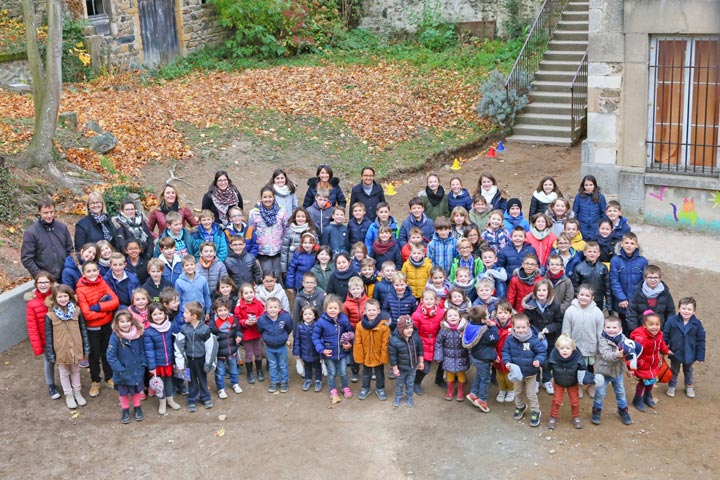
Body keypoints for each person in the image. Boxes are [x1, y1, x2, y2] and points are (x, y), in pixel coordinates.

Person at [75, 261, 119, 398]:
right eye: (88, 271)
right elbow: (87, 314)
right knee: (94, 355)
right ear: (83, 273)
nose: (92, 273)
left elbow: (115, 301)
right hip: (92, 328)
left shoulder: (103, 283)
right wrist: (106, 312)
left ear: (98, 271)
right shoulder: (80, 289)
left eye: (94, 270)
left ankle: (109, 377)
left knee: (107, 351)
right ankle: (95, 380)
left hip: (106, 325)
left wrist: (99, 307)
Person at [44, 284, 89, 409]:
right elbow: (48, 336)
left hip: (75, 347)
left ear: (70, 297)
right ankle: (69, 394)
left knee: (75, 370)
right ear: (54, 298)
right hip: (61, 349)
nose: (63, 299)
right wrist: (51, 353)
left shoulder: (77, 311)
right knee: (64, 373)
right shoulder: (50, 316)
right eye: (60, 297)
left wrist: (85, 347)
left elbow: (83, 330)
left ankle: (77, 392)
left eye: (65, 296)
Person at [502, 314, 547, 427]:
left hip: (531, 373)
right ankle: (520, 406)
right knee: (517, 392)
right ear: (513, 327)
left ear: (528, 326)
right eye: (518, 327)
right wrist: (506, 361)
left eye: (523, 327)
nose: (521, 330)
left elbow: (541, 352)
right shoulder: (510, 339)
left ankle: (535, 411)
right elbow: (505, 352)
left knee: (531, 393)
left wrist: (538, 360)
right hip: (517, 373)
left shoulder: (533, 340)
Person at [562, 284, 604, 399]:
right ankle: (579, 386)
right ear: (577, 295)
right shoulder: (570, 311)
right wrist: (566, 346)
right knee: (577, 368)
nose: (584, 297)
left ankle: (591, 385)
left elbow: (600, 333)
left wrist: (601, 348)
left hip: (591, 348)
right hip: (575, 348)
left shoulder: (597, 313)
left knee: (590, 368)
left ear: (592, 298)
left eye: (587, 295)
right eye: (581, 295)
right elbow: (566, 330)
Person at [522, 279, 563, 394]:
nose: (541, 292)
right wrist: (533, 331)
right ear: (535, 292)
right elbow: (526, 322)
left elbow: (559, 322)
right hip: (534, 337)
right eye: (539, 290)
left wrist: (549, 328)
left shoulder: (555, 306)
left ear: (549, 292)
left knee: (548, 359)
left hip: (550, 338)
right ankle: (535, 380)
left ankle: (546, 380)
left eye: (544, 290)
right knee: (534, 358)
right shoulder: (530, 306)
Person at [592, 316, 633, 425]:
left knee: (620, 392)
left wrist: (629, 368)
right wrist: (616, 354)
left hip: (617, 372)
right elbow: (605, 355)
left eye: (614, 327)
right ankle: (596, 410)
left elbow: (628, 355)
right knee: (600, 393)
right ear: (604, 328)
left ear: (620, 329)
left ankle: (623, 410)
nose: (611, 330)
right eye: (608, 327)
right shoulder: (602, 339)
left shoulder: (624, 339)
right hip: (603, 372)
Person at [106, 310, 146, 423]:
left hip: (136, 370)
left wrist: (142, 365)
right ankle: (125, 410)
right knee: (123, 392)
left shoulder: (138, 335)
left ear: (132, 322)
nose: (125, 324)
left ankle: (137, 408)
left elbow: (142, 351)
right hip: (122, 372)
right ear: (117, 323)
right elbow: (111, 356)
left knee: (136, 390)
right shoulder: (115, 337)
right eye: (122, 321)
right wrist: (120, 369)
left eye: (128, 321)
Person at [174, 301, 215, 412]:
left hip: (201, 360)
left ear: (194, 316)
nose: (183, 314)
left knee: (202, 379)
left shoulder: (205, 329)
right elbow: (178, 346)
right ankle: (192, 399)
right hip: (189, 360)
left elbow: (209, 347)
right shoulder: (184, 329)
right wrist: (180, 364)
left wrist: (208, 362)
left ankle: (205, 398)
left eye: (186, 313)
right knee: (191, 380)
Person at [313, 295, 354, 403]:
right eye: (330, 308)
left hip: (342, 352)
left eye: (335, 308)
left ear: (339, 309)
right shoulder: (321, 322)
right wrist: (322, 350)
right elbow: (315, 337)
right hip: (329, 353)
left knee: (344, 371)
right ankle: (333, 389)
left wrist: (349, 343)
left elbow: (350, 333)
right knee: (331, 372)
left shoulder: (344, 320)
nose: (332, 310)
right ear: (325, 309)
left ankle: (345, 387)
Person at [25, 272, 60, 400]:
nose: (43, 285)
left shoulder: (57, 297)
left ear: (51, 283)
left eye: (46, 282)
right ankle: (51, 385)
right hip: (46, 339)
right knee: (49, 361)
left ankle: (67, 383)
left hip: (59, 336)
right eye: (40, 283)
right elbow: (32, 327)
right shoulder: (32, 304)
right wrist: (38, 346)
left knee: (62, 360)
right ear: (36, 285)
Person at [663, 297, 706, 399]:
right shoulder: (671, 321)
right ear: (679, 309)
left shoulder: (697, 324)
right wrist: (664, 349)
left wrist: (700, 356)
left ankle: (689, 386)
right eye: (684, 308)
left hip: (690, 353)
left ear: (694, 311)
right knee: (674, 370)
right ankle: (672, 385)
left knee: (688, 370)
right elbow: (666, 335)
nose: (686, 311)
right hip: (675, 352)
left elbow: (701, 340)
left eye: (689, 309)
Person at [546, 334, 591, 430]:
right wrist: (542, 363)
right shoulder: (553, 357)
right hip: (558, 382)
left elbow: (583, 368)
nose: (565, 350)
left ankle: (576, 417)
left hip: (572, 383)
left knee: (575, 401)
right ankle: (553, 417)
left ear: (573, 349)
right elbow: (547, 366)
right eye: (562, 348)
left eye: (567, 348)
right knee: (556, 401)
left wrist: (583, 379)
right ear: (557, 349)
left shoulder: (577, 358)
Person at [21, 198, 74, 280]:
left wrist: (68, 268)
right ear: (40, 213)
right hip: (44, 280)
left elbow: (70, 250)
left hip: (64, 276)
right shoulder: (31, 232)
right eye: (45, 213)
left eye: (51, 212)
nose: (49, 215)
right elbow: (27, 259)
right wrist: (39, 276)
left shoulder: (62, 228)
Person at [144, 303, 182, 415]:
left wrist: (177, 361)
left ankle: (170, 400)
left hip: (170, 361)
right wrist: (152, 366)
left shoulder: (170, 326)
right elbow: (149, 351)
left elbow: (176, 344)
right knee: (160, 384)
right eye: (155, 314)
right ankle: (162, 402)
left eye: (160, 313)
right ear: (150, 316)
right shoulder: (148, 332)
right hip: (158, 364)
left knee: (169, 381)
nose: (158, 316)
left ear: (165, 314)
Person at [630, 311, 670, 412]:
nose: (654, 327)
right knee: (643, 382)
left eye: (657, 324)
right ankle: (637, 399)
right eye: (651, 324)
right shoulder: (641, 338)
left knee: (651, 380)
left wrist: (666, 350)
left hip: (653, 363)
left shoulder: (659, 335)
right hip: (643, 363)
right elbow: (633, 351)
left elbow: (662, 344)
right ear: (644, 325)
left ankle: (647, 396)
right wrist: (632, 366)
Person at [247, 185, 288, 280]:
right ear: (261, 198)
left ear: (274, 197)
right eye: (265, 197)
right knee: (267, 275)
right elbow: (250, 232)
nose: (267, 199)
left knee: (278, 276)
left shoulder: (281, 211)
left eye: (270, 196)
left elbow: (286, 229)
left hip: (278, 249)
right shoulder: (254, 213)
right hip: (262, 251)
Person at [463, 305, 499, 412]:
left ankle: (473, 393)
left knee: (480, 374)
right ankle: (482, 400)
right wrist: (493, 327)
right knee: (485, 379)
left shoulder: (470, 325)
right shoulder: (484, 331)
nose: (489, 317)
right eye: (488, 316)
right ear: (483, 320)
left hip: (475, 356)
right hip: (483, 359)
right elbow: (494, 339)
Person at [610, 232, 648, 333]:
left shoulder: (643, 261)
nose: (629, 245)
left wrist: (636, 298)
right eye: (626, 243)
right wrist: (622, 298)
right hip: (622, 302)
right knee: (624, 326)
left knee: (636, 326)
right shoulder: (615, 260)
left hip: (636, 301)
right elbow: (614, 280)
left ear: (636, 245)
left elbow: (644, 281)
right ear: (621, 244)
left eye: (632, 243)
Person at [353, 299, 391, 400]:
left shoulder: (384, 327)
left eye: (374, 310)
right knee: (366, 374)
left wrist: (383, 358)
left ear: (379, 311)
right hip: (366, 356)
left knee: (379, 374)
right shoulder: (360, 326)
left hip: (378, 356)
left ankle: (380, 388)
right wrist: (360, 357)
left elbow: (385, 344)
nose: (371, 312)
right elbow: (358, 342)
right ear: (364, 311)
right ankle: (365, 388)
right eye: (369, 310)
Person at [411, 289, 445, 395]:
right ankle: (416, 382)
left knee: (443, 363)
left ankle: (439, 380)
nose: (429, 301)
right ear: (422, 300)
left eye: (431, 299)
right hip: (423, 343)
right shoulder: (416, 315)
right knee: (425, 369)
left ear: (436, 300)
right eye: (426, 299)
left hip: (437, 342)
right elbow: (413, 332)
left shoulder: (442, 313)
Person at [209, 298, 243, 399]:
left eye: (225, 310)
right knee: (220, 372)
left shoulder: (233, 319)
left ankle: (235, 383)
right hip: (219, 353)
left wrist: (239, 336)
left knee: (234, 369)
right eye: (220, 310)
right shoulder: (212, 323)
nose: (223, 313)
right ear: (215, 311)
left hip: (232, 350)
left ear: (229, 310)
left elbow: (238, 330)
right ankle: (221, 389)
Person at [434, 307, 470, 401]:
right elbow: (439, 343)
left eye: (455, 315)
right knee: (450, 374)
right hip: (448, 357)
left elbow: (469, 342)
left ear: (460, 317)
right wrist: (439, 355)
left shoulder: (464, 329)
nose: (452, 317)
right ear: (446, 318)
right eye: (450, 316)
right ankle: (450, 391)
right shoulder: (444, 330)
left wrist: (471, 356)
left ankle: (460, 391)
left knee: (461, 374)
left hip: (461, 357)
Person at [388, 315, 424, 408]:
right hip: (401, 369)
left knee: (410, 383)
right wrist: (395, 369)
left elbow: (420, 350)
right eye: (406, 328)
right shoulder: (394, 341)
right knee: (399, 384)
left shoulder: (415, 337)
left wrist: (421, 362)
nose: (410, 330)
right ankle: (398, 397)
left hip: (412, 367)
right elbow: (392, 357)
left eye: (411, 327)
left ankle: (409, 397)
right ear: (400, 329)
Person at [626, 265, 675, 331]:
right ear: (645, 278)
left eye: (656, 277)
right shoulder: (638, 292)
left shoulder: (665, 293)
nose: (653, 280)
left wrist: (667, 329)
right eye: (650, 277)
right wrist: (635, 330)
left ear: (660, 278)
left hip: (660, 329)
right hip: (642, 329)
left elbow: (670, 312)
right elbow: (632, 312)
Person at [235, 283, 266, 384]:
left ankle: (259, 370)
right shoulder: (239, 307)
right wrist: (245, 322)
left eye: (251, 292)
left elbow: (263, 315)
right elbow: (237, 320)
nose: (249, 295)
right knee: (248, 353)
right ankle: (249, 372)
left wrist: (257, 320)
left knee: (258, 352)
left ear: (254, 292)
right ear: (242, 295)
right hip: (246, 333)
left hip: (257, 332)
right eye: (246, 293)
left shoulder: (258, 304)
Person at [572, 241, 611, 312]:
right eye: (589, 251)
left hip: (598, 301)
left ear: (598, 254)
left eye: (594, 252)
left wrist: (609, 305)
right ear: (584, 253)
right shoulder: (579, 268)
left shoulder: (603, 268)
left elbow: (607, 288)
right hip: (583, 300)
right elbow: (575, 287)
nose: (592, 254)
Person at [293, 305, 323, 392]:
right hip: (304, 351)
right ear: (302, 316)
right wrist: (297, 353)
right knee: (307, 366)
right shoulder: (299, 326)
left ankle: (318, 381)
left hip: (316, 351)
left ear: (314, 316)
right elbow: (297, 341)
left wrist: (321, 352)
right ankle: (308, 380)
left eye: (310, 314)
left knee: (318, 367)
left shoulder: (318, 325)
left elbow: (321, 339)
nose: (308, 316)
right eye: (305, 314)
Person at [175, 255, 211, 320]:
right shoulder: (179, 282)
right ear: (183, 268)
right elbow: (178, 299)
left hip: (200, 312)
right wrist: (181, 312)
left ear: (195, 266)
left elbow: (206, 295)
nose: (189, 267)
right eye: (187, 265)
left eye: (191, 264)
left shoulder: (202, 279)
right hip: (187, 313)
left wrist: (207, 311)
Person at [572, 175, 606, 241]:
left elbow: (603, 213)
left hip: (595, 228)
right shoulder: (578, 197)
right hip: (582, 227)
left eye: (591, 185)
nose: (588, 187)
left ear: (594, 185)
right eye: (586, 185)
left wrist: (601, 226)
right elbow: (574, 213)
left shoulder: (600, 197)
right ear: (583, 186)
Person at [492, 301, 514, 403]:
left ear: (510, 314)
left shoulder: (513, 326)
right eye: (500, 313)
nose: (503, 315)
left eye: (505, 313)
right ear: (496, 314)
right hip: (496, 355)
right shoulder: (492, 325)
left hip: (509, 356)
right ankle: (502, 390)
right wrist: (493, 354)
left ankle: (511, 390)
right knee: (499, 375)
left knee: (509, 375)